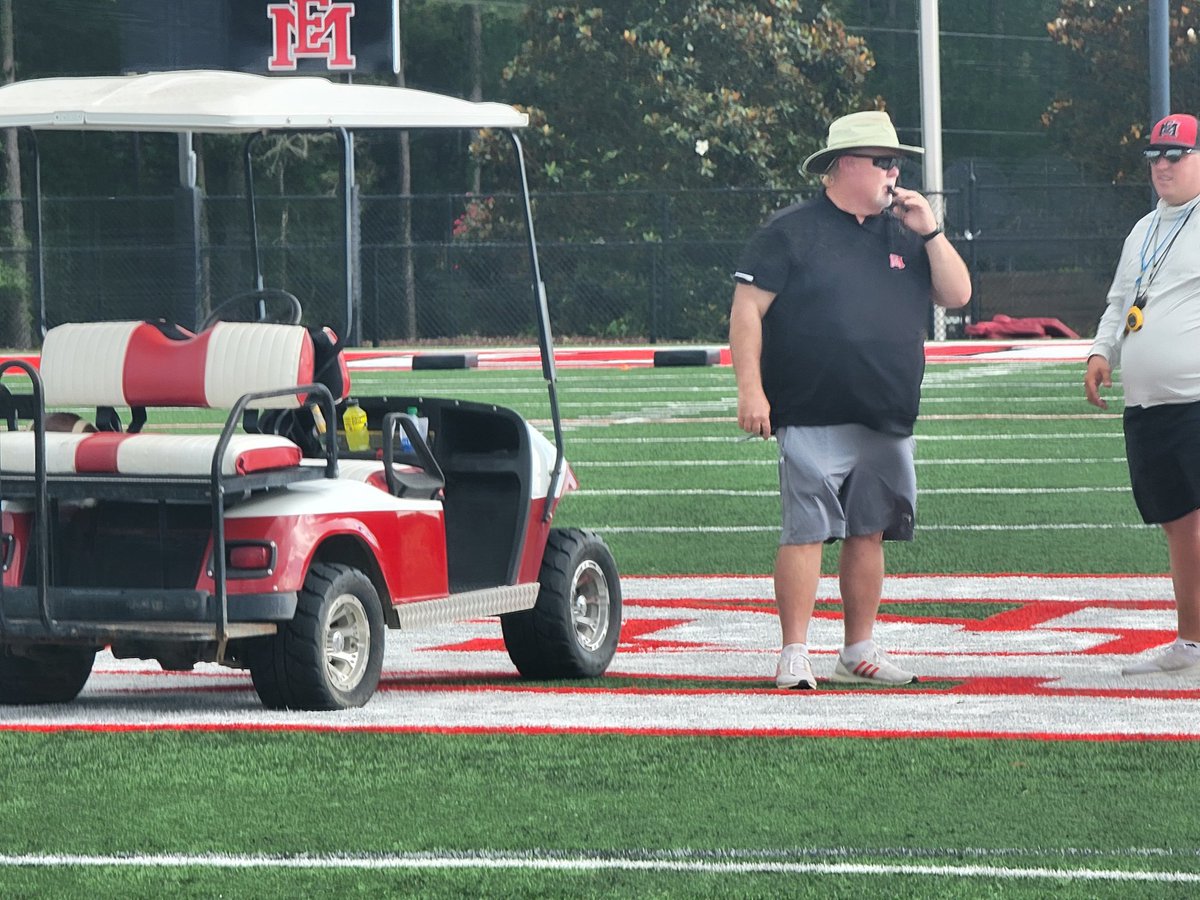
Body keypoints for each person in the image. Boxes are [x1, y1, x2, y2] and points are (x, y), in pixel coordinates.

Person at [729, 110, 972, 689]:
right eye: (883, 161)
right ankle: (794, 651)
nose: (894, 172)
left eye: (896, 162)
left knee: (870, 530)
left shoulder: (908, 231)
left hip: (885, 412)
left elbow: (957, 294)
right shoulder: (790, 230)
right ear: (844, 166)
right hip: (811, 406)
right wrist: (750, 389)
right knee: (806, 530)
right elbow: (746, 311)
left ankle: (857, 647)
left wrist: (932, 231)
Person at [1085, 112, 1200, 676]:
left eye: (1175, 156)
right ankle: (1192, 642)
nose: (1162, 166)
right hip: (1149, 405)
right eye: (1156, 156)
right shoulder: (1143, 229)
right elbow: (1118, 301)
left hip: (1197, 398)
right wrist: (1100, 352)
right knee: (1177, 522)